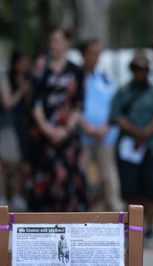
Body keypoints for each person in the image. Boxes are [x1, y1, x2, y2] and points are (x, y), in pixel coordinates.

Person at [109, 51, 153, 247]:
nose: (139, 72)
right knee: (131, 187)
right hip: (128, 148)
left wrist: (145, 134)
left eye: (143, 69)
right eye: (136, 68)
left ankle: (151, 226)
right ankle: (135, 227)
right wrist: (136, 132)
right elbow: (116, 116)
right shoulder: (123, 91)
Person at [29, 27, 87, 212]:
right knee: (44, 180)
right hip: (44, 135)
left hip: (67, 137)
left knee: (69, 180)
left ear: (68, 43)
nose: (55, 45)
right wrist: (46, 128)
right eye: (52, 40)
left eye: (59, 40)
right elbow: (35, 101)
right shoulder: (41, 69)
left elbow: (78, 104)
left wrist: (67, 129)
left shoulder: (76, 70)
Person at [78, 39, 124, 212]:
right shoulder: (76, 77)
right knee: (84, 175)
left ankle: (115, 210)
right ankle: (85, 211)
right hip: (83, 135)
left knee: (108, 175)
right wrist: (86, 126)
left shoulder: (106, 78)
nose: (95, 57)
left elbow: (115, 105)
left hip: (106, 135)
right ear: (83, 54)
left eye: (98, 54)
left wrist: (105, 126)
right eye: (92, 53)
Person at [0, 50, 32, 210]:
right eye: (22, 61)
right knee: (4, 162)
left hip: (23, 126)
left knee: (21, 162)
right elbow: (8, 103)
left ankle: (18, 196)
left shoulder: (29, 79)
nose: (25, 65)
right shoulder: (7, 79)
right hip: (8, 125)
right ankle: (3, 196)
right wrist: (21, 90)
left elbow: (30, 106)